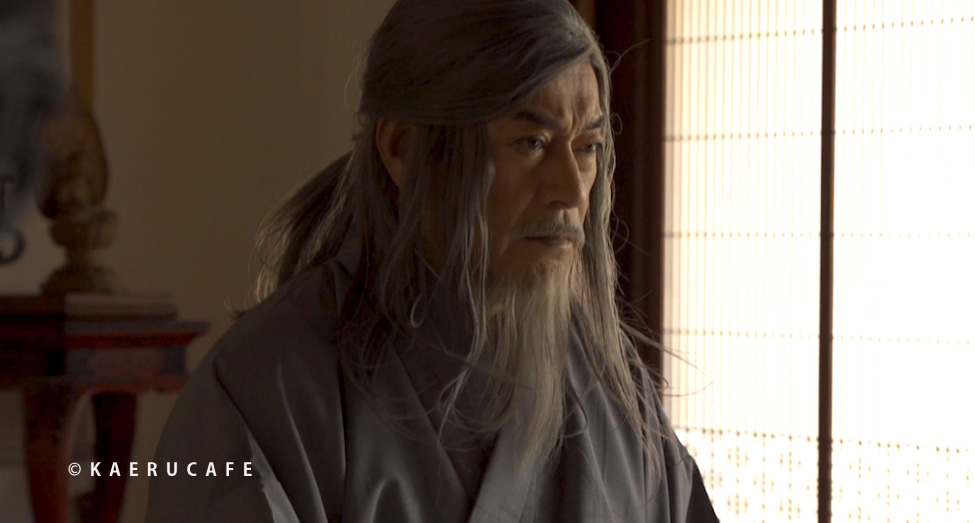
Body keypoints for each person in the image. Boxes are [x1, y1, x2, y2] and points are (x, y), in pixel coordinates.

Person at [146, 0, 718, 521]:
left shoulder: (615, 390)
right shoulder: (268, 387)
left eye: (587, 148)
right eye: (532, 143)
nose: (571, 190)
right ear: (404, 148)